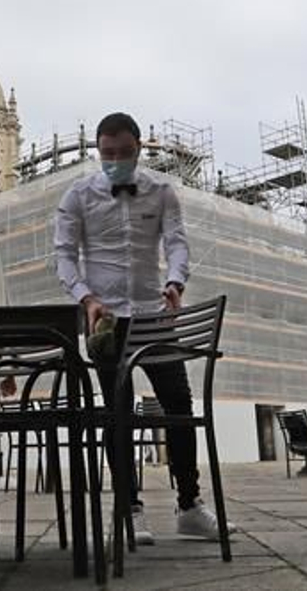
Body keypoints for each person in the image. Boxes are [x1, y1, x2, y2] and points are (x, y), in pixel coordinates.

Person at [55, 111, 225, 546]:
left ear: (139, 150)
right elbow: (64, 256)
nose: (115, 161)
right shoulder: (78, 195)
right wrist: (86, 297)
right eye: (108, 154)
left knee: (179, 408)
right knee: (118, 414)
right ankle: (129, 509)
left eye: (124, 153)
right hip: (105, 318)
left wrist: (176, 281)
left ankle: (189, 505)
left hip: (153, 314)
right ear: (98, 152)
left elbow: (177, 242)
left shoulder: (162, 192)